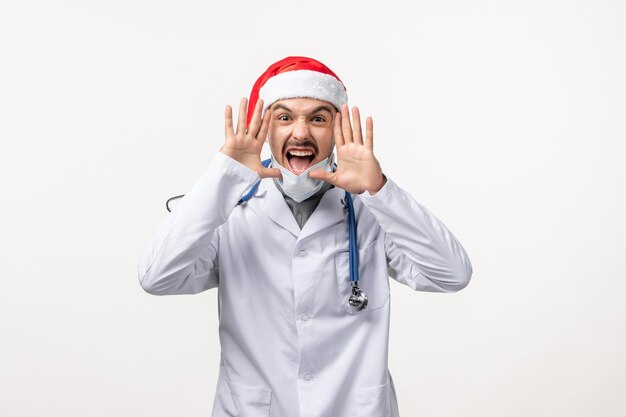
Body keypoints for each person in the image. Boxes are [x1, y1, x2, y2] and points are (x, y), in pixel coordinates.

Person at [138, 56, 472, 417]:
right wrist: (223, 178)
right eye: (283, 117)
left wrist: (379, 190)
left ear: (337, 128)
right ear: (264, 130)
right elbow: (157, 277)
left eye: (317, 118)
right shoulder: (229, 210)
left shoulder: (369, 209)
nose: (300, 133)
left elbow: (452, 274)